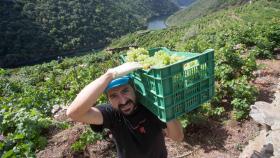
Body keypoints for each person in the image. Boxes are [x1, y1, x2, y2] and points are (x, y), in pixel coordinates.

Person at [66, 62, 184, 158]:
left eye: (125, 91)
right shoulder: (111, 113)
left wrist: (166, 108)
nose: (123, 101)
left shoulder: (150, 106)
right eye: (114, 96)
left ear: (134, 89)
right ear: (108, 100)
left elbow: (178, 137)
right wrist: (109, 75)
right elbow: (73, 113)